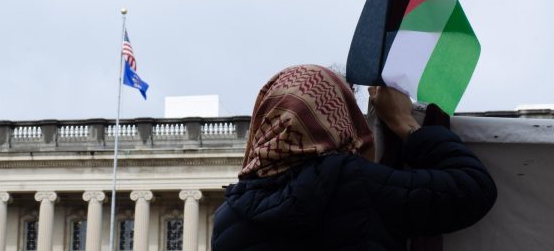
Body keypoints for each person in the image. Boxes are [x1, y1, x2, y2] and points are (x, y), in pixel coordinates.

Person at [212, 64, 497, 251]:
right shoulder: (351, 182)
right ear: (338, 120)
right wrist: (404, 124)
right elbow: (473, 189)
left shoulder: (228, 216)